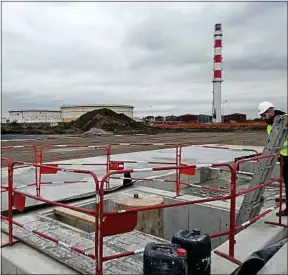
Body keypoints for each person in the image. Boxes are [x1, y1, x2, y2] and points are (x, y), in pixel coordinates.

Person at [257, 101, 288, 216]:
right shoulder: (271, 125)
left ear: (271, 111)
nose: (263, 118)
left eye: (264, 115)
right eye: (261, 116)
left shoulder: (285, 120)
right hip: (283, 158)